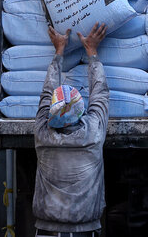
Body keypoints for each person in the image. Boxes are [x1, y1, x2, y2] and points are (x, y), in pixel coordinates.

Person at [33, 23, 109, 237]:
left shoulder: (42, 133)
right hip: (84, 231)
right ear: (80, 111)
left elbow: (47, 93)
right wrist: (92, 51)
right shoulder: (92, 132)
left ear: (50, 112)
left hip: (45, 231)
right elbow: (100, 93)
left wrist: (59, 50)